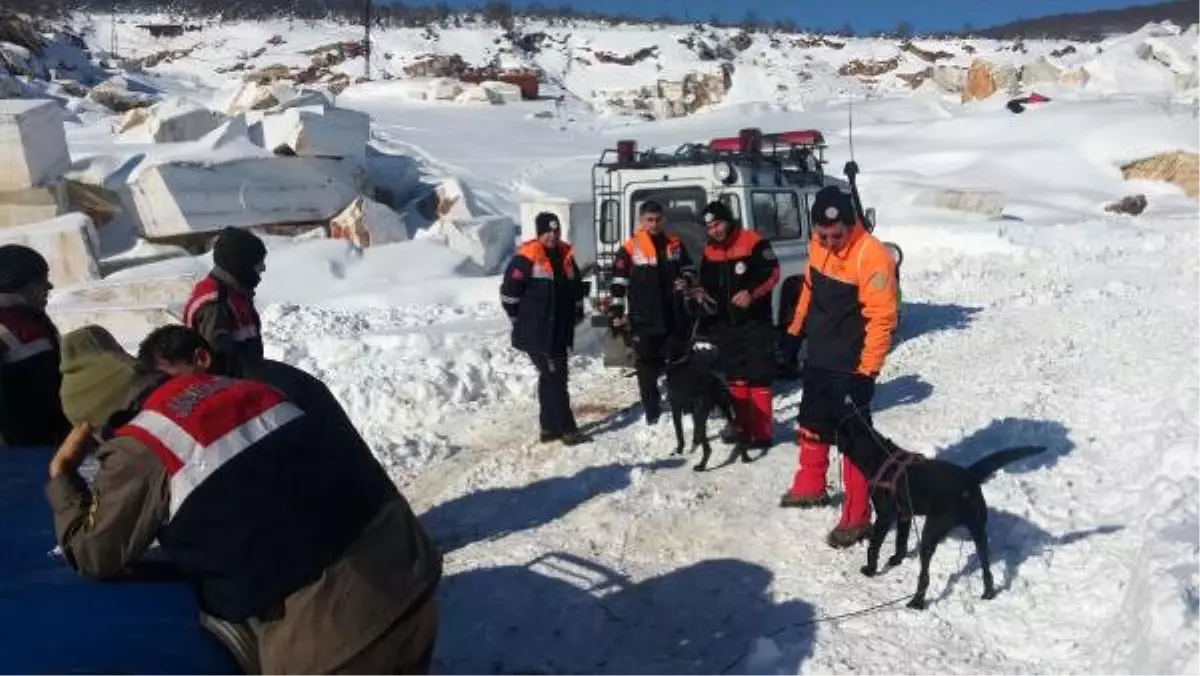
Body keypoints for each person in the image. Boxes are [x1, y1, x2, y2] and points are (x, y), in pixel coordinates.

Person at [47, 325, 443, 675]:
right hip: (408, 571)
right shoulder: (239, 386)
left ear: (95, 419)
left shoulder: (142, 446)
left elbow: (94, 554)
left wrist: (63, 477)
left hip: (338, 629)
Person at [780, 185, 899, 549]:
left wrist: (868, 373)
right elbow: (809, 289)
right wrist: (794, 331)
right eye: (823, 234)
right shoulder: (818, 245)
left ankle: (858, 516)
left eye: (837, 235)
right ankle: (810, 486)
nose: (830, 242)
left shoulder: (871, 255)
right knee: (812, 424)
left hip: (850, 363)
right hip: (819, 355)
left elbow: (882, 319)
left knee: (854, 442)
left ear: (851, 225)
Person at [137, 324, 363, 447]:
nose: (166, 395)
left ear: (202, 359)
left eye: (170, 382)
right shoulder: (232, 385)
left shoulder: (264, 392)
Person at [693, 201, 781, 450]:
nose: (715, 230)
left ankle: (762, 433)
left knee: (759, 376)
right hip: (726, 324)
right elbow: (705, 282)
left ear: (728, 220)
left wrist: (751, 294)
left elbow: (773, 274)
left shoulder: (753, 241)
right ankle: (742, 426)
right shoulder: (710, 251)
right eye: (709, 227)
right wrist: (700, 293)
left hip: (755, 322)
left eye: (718, 224)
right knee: (735, 377)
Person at [500, 212, 591, 446]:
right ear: (539, 233)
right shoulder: (526, 259)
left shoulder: (566, 256)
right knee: (557, 378)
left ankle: (549, 428)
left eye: (556, 230)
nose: (552, 235)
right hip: (538, 332)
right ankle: (568, 430)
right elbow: (509, 295)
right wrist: (518, 320)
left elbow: (576, 289)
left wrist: (577, 311)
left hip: (559, 329)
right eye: (547, 231)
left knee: (550, 378)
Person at [608, 201, 694, 424]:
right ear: (641, 221)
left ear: (663, 220)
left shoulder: (674, 244)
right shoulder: (630, 248)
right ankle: (652, 411)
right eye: (649, 220)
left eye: (657, 219)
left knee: (678, 362)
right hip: (643, 318)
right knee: (646, 367)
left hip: (673, 315)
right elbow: (618, 281)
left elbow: (689, 268)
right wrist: (616, 311)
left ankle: (682, 405)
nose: (654, 224)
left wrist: (685, 279)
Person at [0, 244, 71, 447]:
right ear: (18, 281)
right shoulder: (8, 323)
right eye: (41, 279)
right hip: (17, 459)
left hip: (48, 447)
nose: (49, 286)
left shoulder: (30, 319)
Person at [183, 227, 268, 377]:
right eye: (257, 264)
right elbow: (217, 368)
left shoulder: (236, 295)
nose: (263, 268)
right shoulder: (216, 305)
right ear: (241, 266)